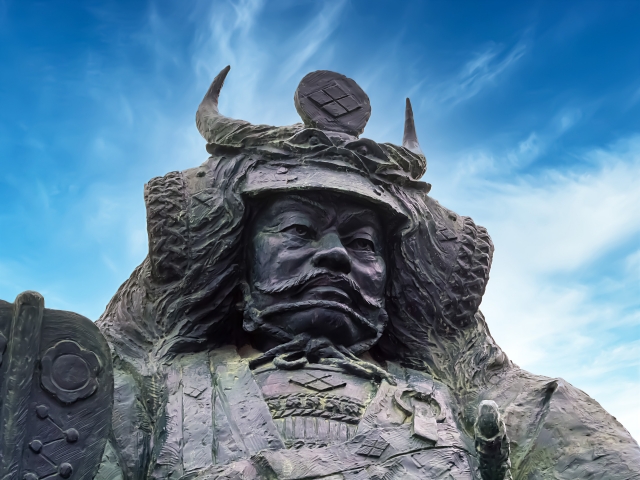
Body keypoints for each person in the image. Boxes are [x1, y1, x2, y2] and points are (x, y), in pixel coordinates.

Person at [95, 67, 640, 479]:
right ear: (239, 260)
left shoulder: (489, 405)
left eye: (361, 242)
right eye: (298, 230)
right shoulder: (147, 391)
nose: (335, 255)